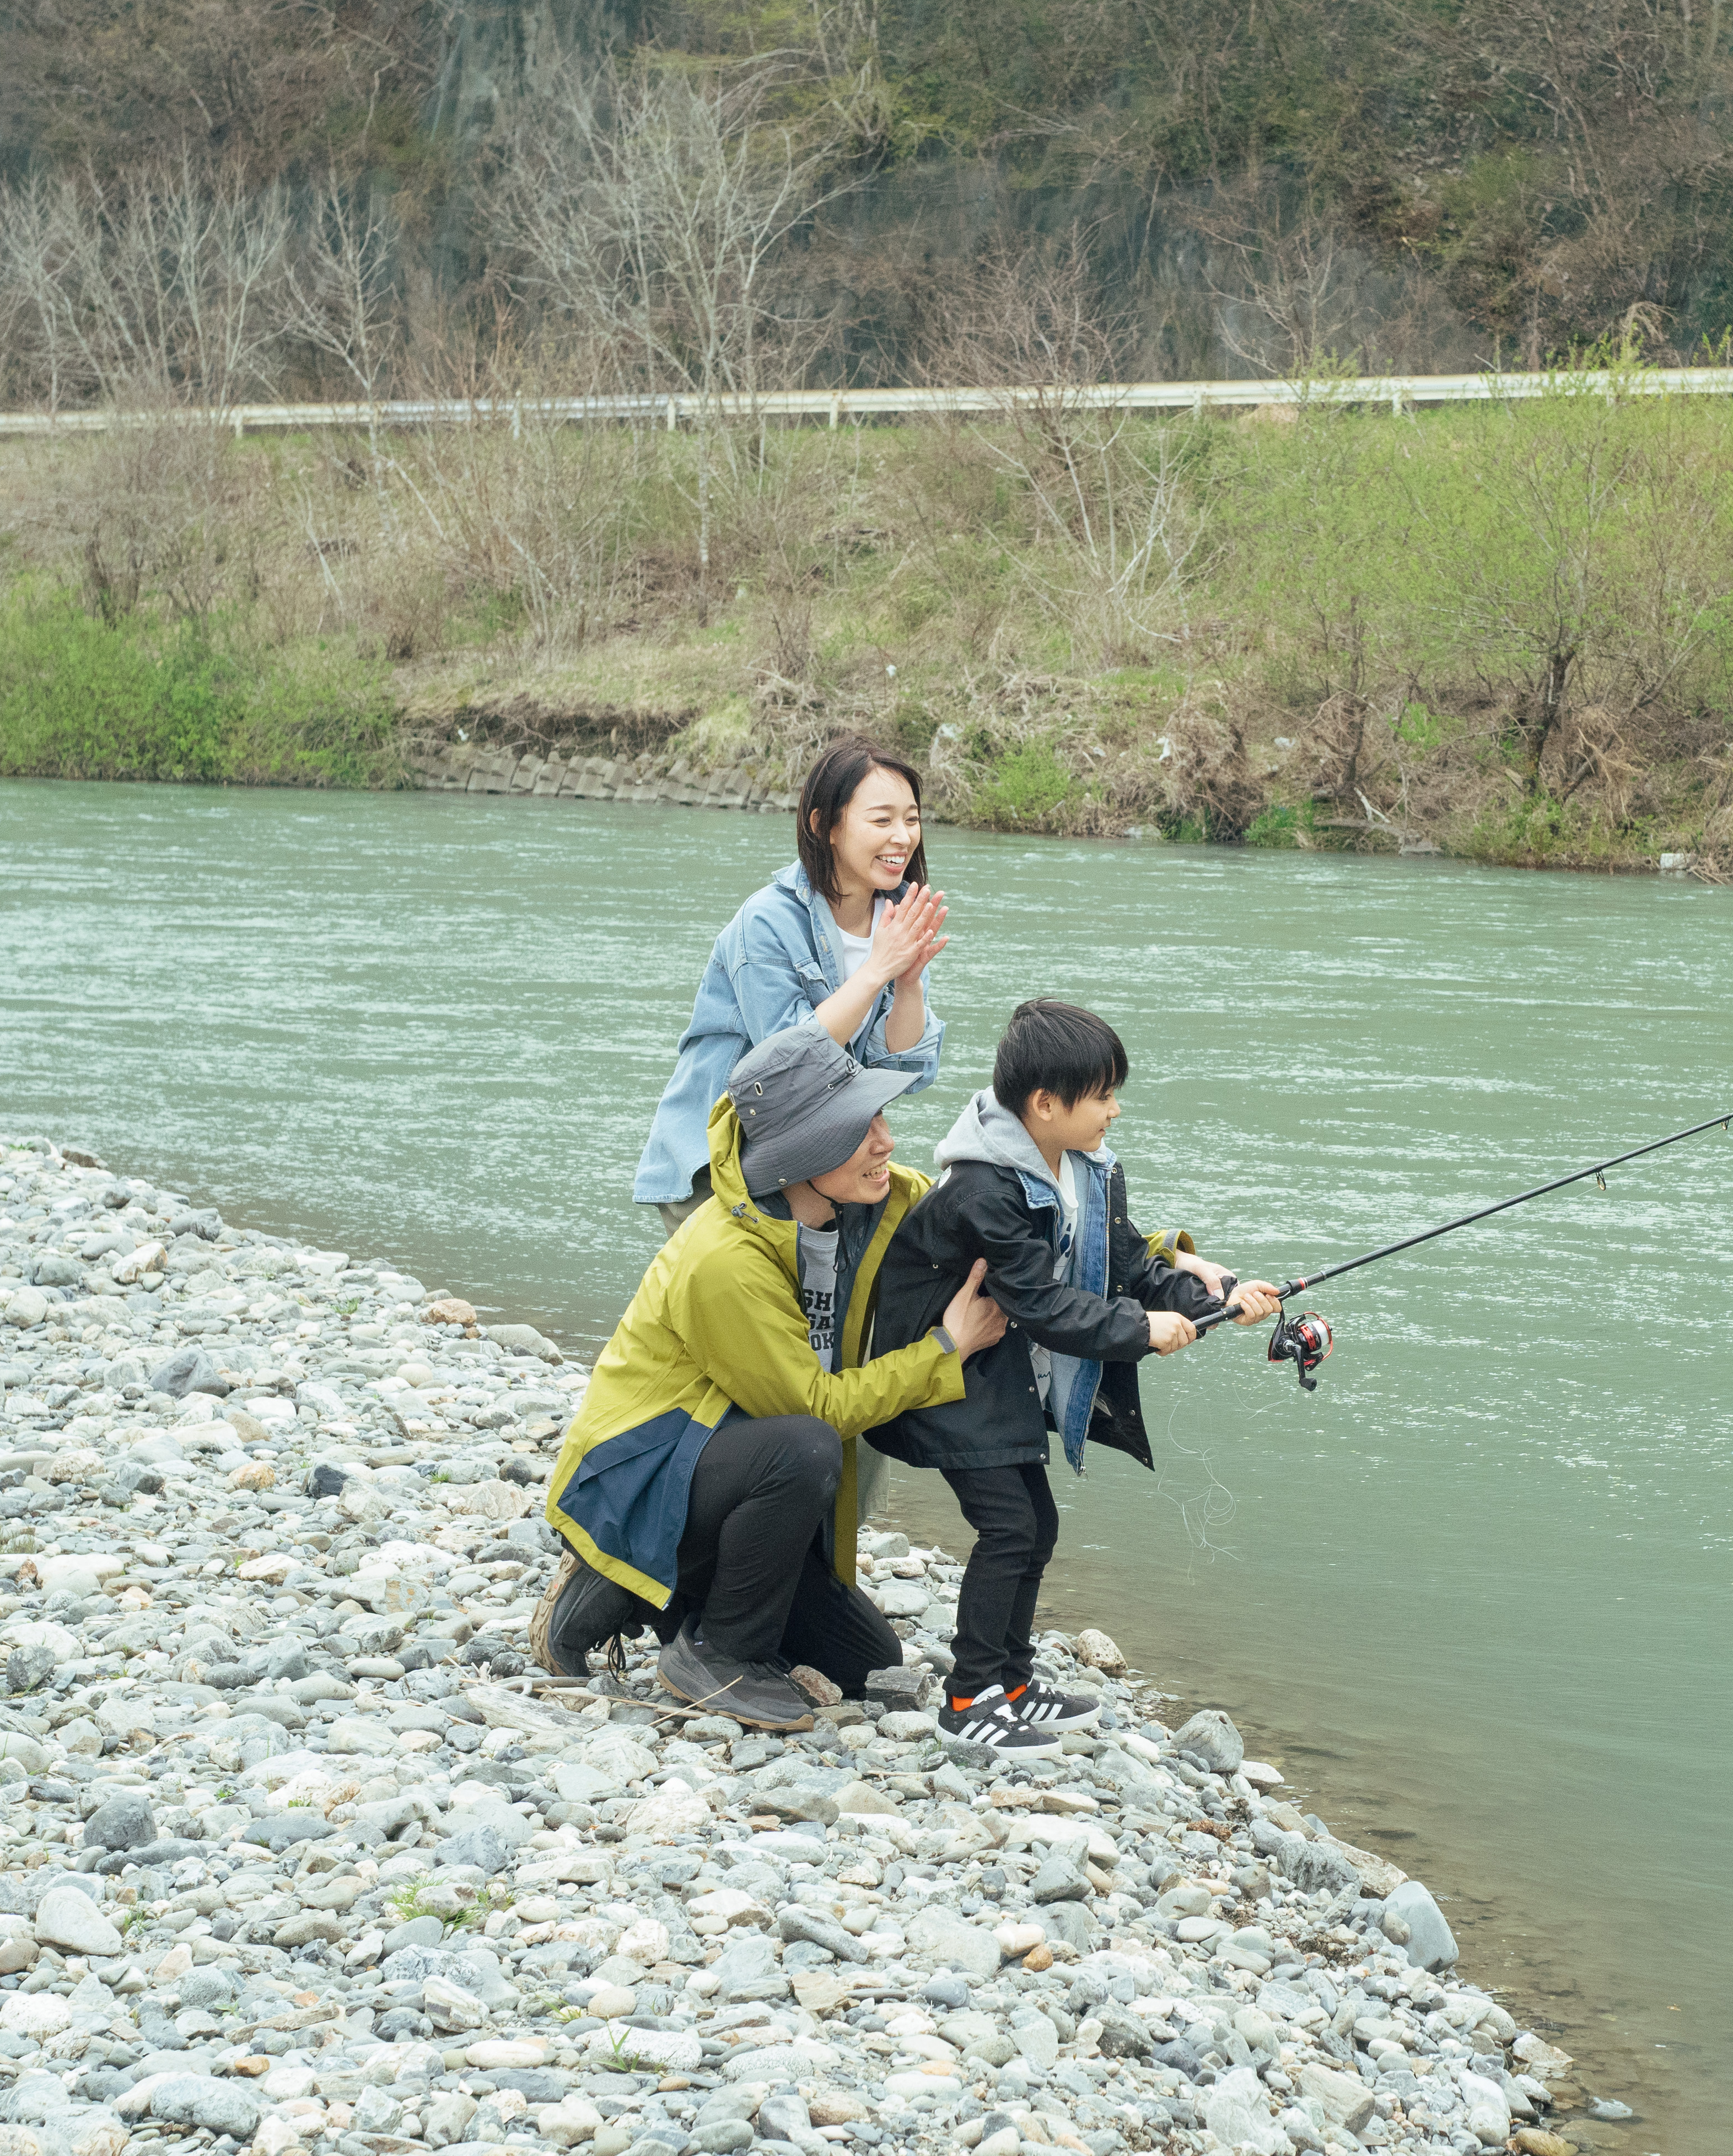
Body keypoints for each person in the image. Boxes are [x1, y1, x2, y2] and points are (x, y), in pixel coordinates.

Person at [540, 1021, 1010, 1729]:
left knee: (866, 1663)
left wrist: (1164, 1267)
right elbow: (814, 1407)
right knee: (807, 1445)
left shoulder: (863, 1202)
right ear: (801, 1153)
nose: (885, 1140)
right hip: (643, 1472)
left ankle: (664, 1598)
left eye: (880, 1116)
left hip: (725, 1461)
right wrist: (946, 1349)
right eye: (859, 1127)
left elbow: (989, 1215)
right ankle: (715, 1650)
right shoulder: (724, 1258)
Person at [865, 999, 1279, 1759]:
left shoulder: (1087, 1169)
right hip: (944, 1373)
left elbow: (1128, 1266)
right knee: (1011, 1525)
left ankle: (1012, 1685)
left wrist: (1219, 1298)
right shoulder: (984, 1190)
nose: (1116, 1111)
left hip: (999, 1372)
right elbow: (1043, 1304)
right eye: (1104, 1096)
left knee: (1036, 1524)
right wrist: (1142, 1333)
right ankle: (969, 1700)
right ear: (1045, 1105)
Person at [634, 741, 949, 1238]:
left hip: (819, 1164)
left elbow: (904, 1073)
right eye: (882, 820)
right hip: (722, 1164)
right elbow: (789, 1065)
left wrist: (907, 985)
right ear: (823, 825)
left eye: (911, 819)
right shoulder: (766, 921)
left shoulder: (897, 915)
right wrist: (875, 972)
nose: (902, 837)